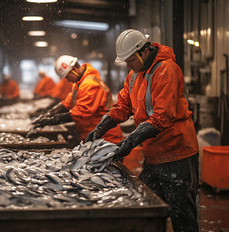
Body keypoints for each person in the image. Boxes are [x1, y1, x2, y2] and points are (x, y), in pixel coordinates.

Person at [85, 29, 199, 232]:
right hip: (153, 155)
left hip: (177, 154)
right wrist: (101, 127)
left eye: (130, 60)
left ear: (143, 52)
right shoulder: (134, 75)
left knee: (182, 217)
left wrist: (127, 143)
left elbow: (161, 118)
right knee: (147, 211)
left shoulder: (166, 70)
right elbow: (123, 107)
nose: (128, 66)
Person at [30, 55, 124, 144]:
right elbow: (68, 101)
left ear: (74, 69)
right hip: (94, 135)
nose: (67, 80)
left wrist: (51, 120)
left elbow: (80, 113)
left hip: (106, 138)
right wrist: (49, 113)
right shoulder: (79, 83)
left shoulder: (89, 84)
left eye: (67, 76)